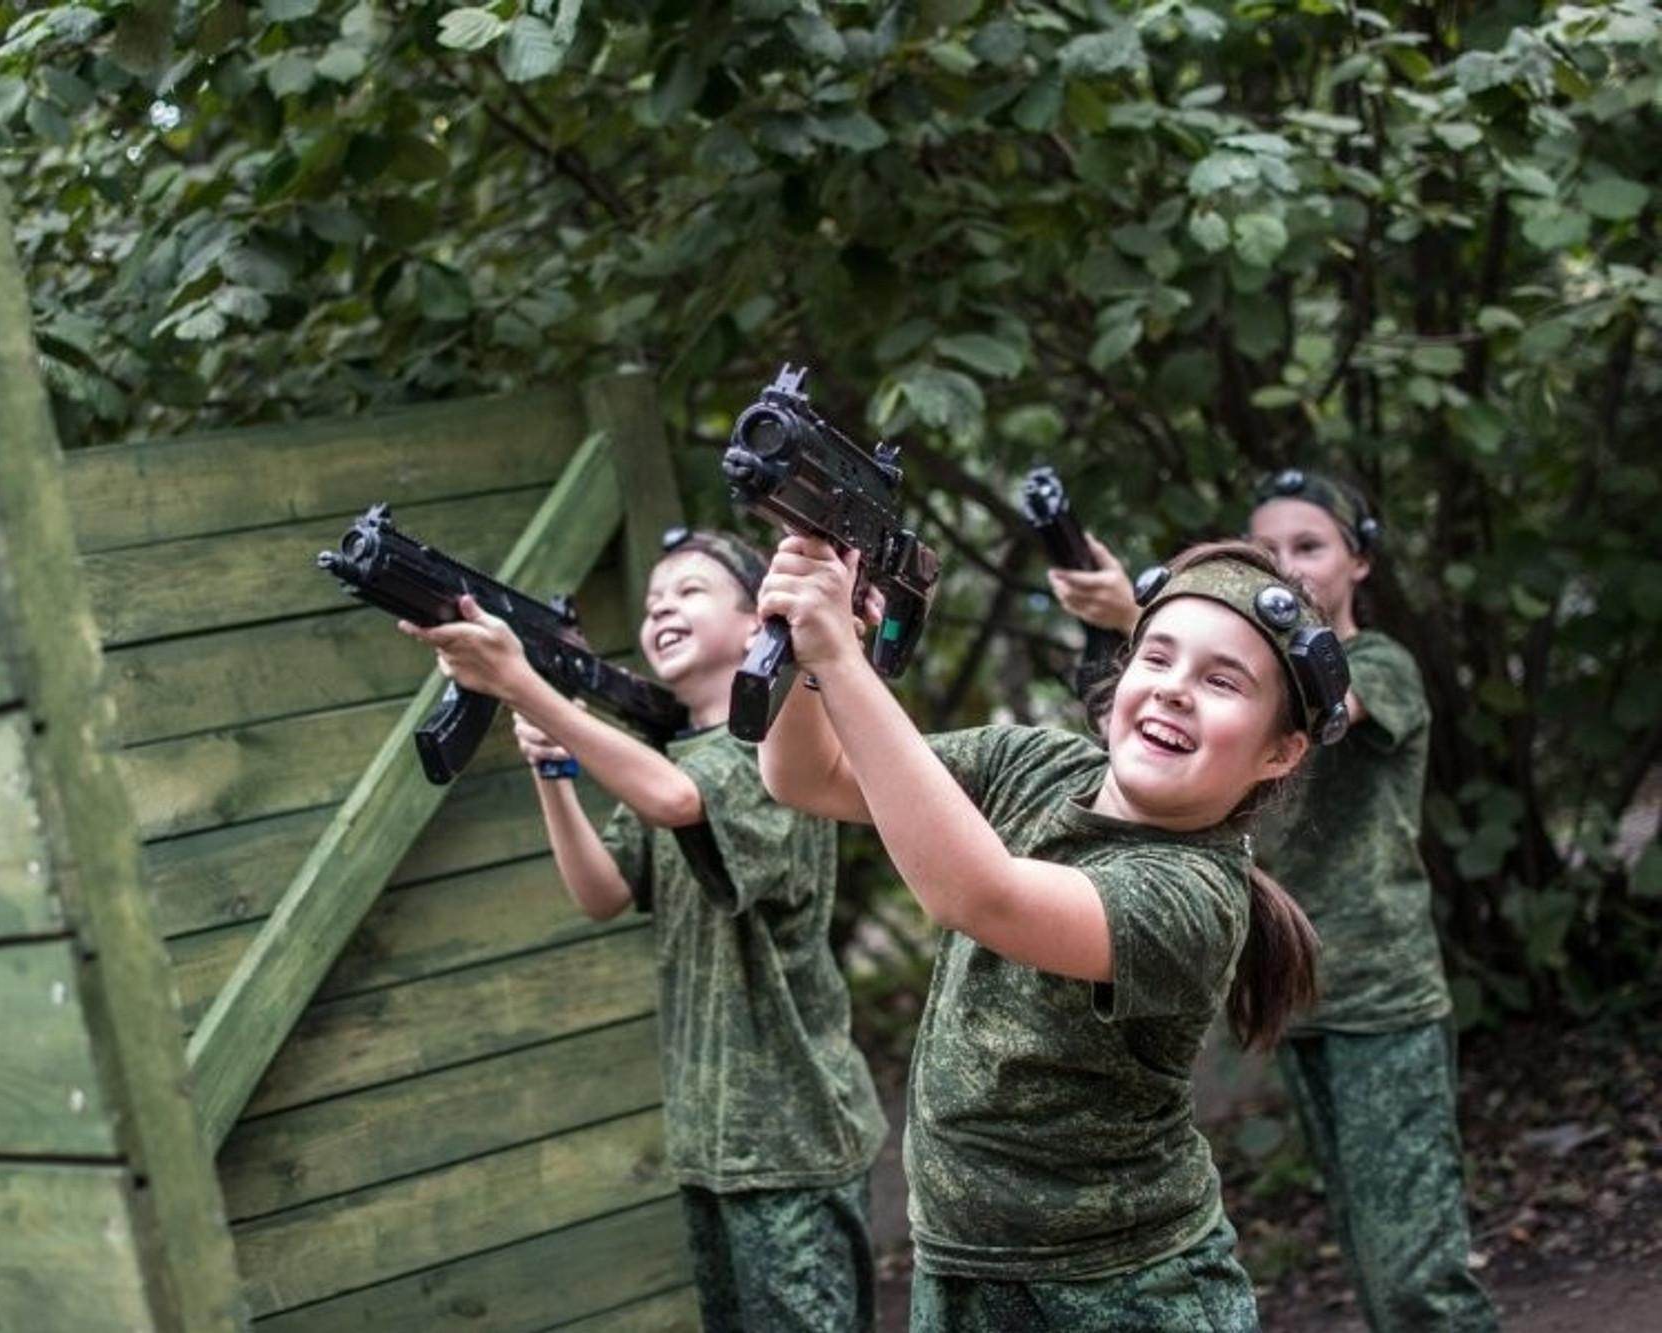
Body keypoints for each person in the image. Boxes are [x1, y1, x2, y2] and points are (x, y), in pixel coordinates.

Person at [756, 533, 1339, 1330]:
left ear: (1281, 751)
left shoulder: (1195, 894)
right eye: (1157, 657)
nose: (1174, 690)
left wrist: (843, 664)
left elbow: (981, 896)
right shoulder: (1028, 763)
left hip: (1119, 1293)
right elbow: (805, 775)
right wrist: (812, 656)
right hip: (961, 1271)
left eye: (1222, 680)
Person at [399, 527, 887, 1333]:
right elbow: (601, 889)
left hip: (791, 1141)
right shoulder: (681, 754)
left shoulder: (773, 750)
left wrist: (526, 685)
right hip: (714, 1140)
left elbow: (675, 802)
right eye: (655, 598)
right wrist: (553, 771)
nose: (662, 604)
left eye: (691, 590)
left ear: (753, 623)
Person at [1050, 468, 1500, 1332]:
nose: (1290, 564)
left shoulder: (1379, 664)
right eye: (1269, 550)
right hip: (1301, 1002)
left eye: (1311, 546)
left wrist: (1130, 617)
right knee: (1378, 1259)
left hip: (1384, 1000)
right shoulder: (1237, 686)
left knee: (1418, 1276)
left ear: (1359, 561)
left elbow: (1329, 708)